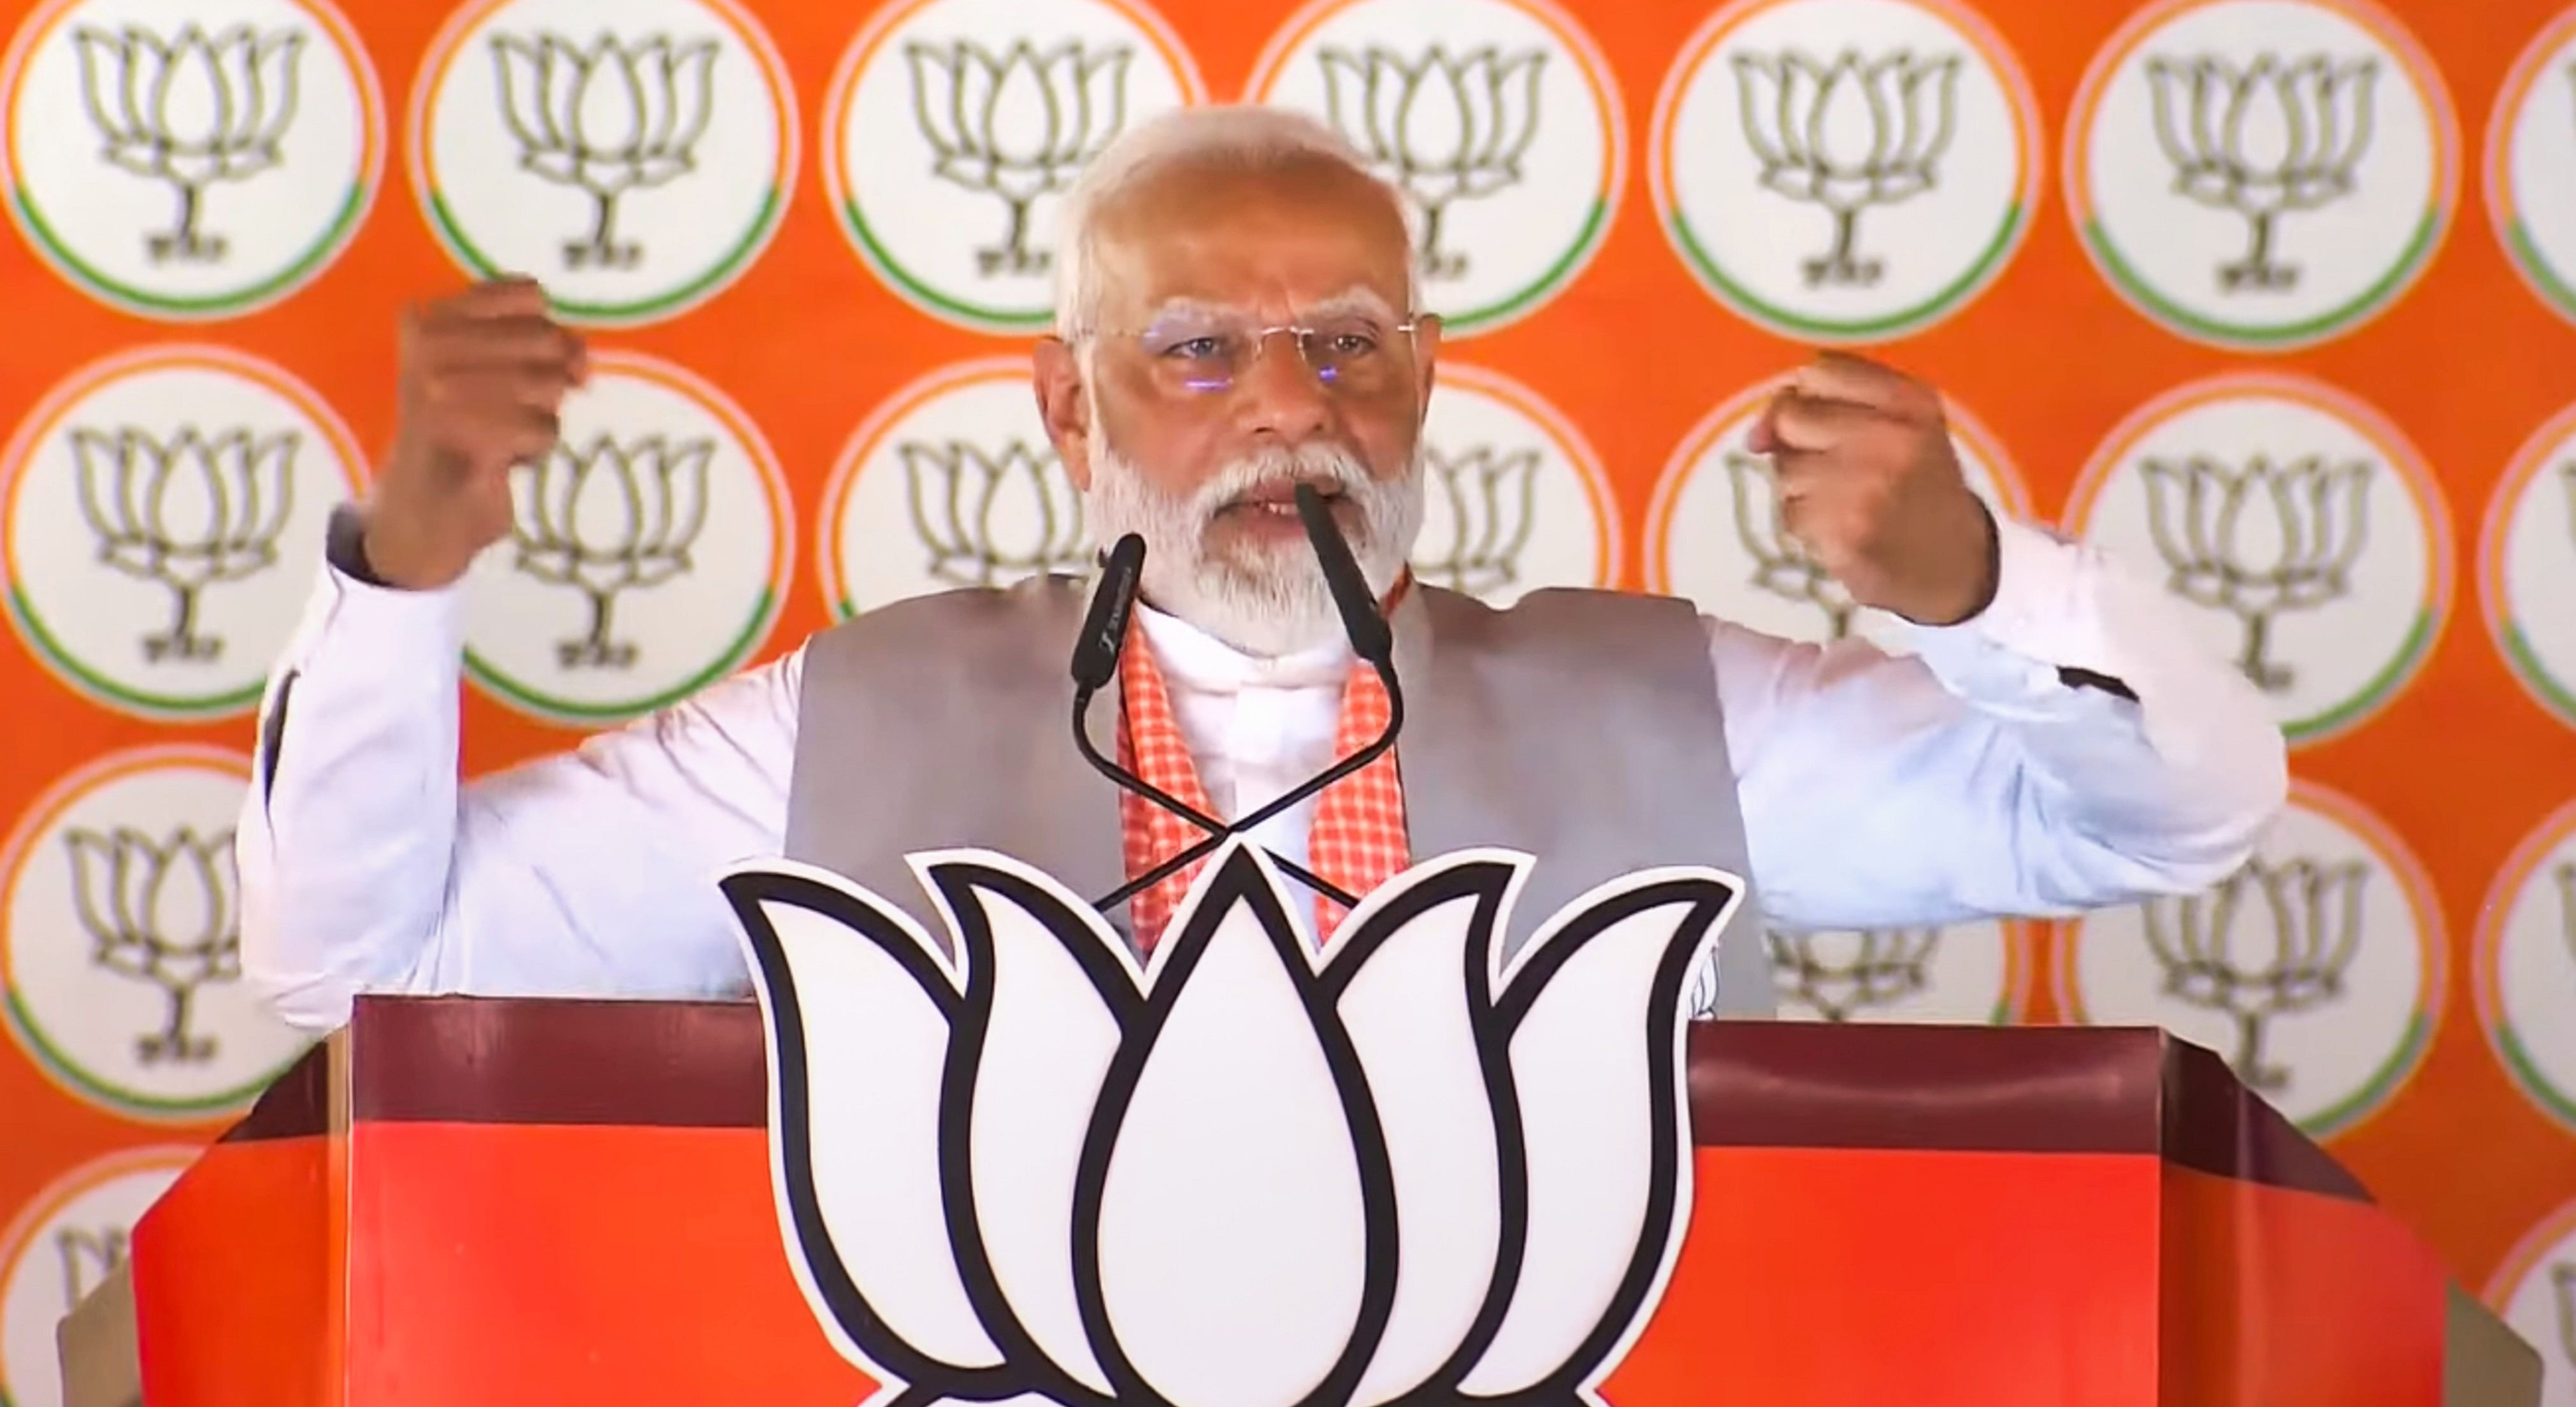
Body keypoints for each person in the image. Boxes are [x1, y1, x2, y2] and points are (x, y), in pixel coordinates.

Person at [234, 105, 2287, 1033]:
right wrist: (406, 574)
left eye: (1348, 346)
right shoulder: (838, 728)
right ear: (1071, 409)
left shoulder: (1672, 713)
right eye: (1199, 349)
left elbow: (2172, 823)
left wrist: (1969, 587)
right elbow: (362, 966)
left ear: (1422, 385)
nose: (1286, 405)